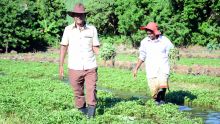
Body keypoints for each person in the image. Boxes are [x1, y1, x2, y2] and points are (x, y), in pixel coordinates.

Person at [59, 3, 100, 118]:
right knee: (78, 92)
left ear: (84, 16)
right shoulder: (68, 30)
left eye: (81, 15)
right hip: (74, 66)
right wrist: (61, 66)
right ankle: (82, 110)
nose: (79, 17)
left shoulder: (92, 29)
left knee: (91, 90)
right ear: (73, 16)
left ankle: (91, 116)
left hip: (90, 65)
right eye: (76, 15)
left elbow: (95, 47)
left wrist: (106, 54)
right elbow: (63, 47)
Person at [133, 22, 174, 105]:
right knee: (154, 93)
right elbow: (142, 56)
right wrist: (136, 68)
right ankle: (157, 103)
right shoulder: (144, 42)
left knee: (162, 86)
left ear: (155, 32)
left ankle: (162, 102)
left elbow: (172, 51)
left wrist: (173, 57)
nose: (149, 35)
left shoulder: (164, 40)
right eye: (147, 33)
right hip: (151, 70)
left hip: (163, 68)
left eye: (150, 33)